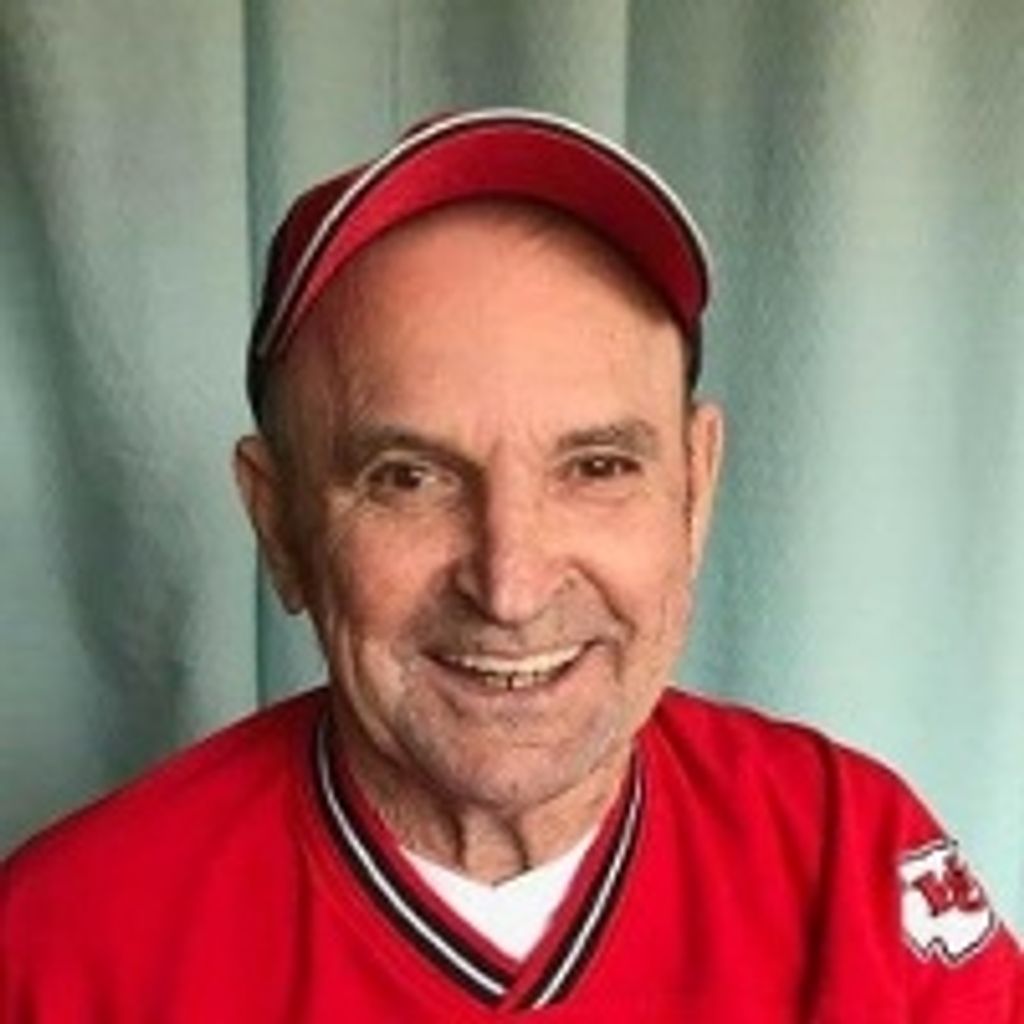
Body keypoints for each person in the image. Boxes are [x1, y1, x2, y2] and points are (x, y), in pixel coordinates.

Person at [1, 109, 1020, 1022]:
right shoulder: (60, 947)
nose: (511, 585)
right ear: (279, 526)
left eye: (598, 466)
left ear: (695, 490)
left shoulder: (852, 857)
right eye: (409, 478)